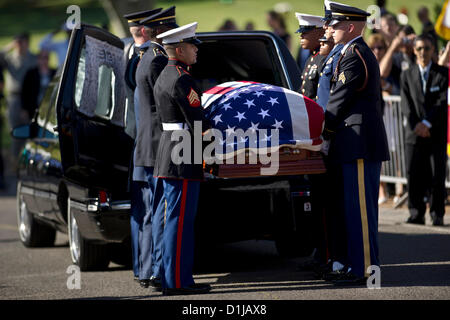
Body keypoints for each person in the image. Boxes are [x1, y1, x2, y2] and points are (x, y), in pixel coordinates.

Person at [321, 2, 390, 285]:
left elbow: (338, 100)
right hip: (352, 143)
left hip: (359, 143)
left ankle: (365, 271)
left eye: (336, 26)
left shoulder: (355, 54)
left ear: (350, 27)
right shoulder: (349, 53)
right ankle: (355, 266)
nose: (331, 30)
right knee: (353, 209)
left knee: (361, 212)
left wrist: (320, 129)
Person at [154, 22, 211, 295]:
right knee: (180, 221)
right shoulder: (182, 79)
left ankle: (178, 279)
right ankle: (176, 282)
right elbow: (198, 124)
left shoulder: (165, 75)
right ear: (179, 49)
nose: (196, 51)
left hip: (171, 150)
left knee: (176, 220)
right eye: (192, 46)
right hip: (183, 152)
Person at [133, 6, 178, 290]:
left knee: (151, 211)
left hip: (147, 142)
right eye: (170, 27)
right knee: (161, 210)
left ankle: (148, 270)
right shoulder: (159, 61)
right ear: (159, 31)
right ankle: (161, 272)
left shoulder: (145, 57)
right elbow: (167, 103)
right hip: (159, 142)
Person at [122, 8, 163, 284]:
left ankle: (143, 267)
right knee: (152, 210)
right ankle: (151, 270)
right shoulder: (151, 60)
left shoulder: (132, 59)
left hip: (138, 144)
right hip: (152, 145)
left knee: (142, 210)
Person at [400, 34, 448, 226]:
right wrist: (417, 125)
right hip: (414, 134)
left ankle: (437, 213)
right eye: (419, 48)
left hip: (434, 132)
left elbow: (441, 102)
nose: (423, 53)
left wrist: (426, 124)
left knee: (437, 174)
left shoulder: (442, 73)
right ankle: (416, 212)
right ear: (414, 50)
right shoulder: (407, 74)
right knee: (414, 174)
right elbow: (406, 104)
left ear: (433, 51)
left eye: (427, 48)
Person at [0, 32, 37, 160]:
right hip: (14, 99)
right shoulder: (9, 58)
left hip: (30, 99)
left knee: (30, 132)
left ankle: (28, 161)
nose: (20, 45)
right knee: (15, 131)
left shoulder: (33, 58)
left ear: (28, 43)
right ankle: (15, 161)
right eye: (18, 42)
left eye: (22, 42)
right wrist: (9, 47)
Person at [294, 13, 325, 100]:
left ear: (319, 34)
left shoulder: (323, 58)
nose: (301, 36)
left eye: (305, 33)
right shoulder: (312, 57)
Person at [380, 25, 416, 95]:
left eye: (407, 40)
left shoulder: (419, 55)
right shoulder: (395, 58)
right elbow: (382, 72)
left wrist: (417, 44)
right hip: (399, 98)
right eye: (402, 40)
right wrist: (392, 47)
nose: (405, 43)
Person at [21, 50, 56, 120]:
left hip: (50, 110)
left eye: (46, 58)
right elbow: (24, 92)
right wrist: (24, 109)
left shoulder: (54, 73)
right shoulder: (31, 73)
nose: (43, 61)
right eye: (41, 58)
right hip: (33, 110)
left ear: (49, 59)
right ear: (38, 60)